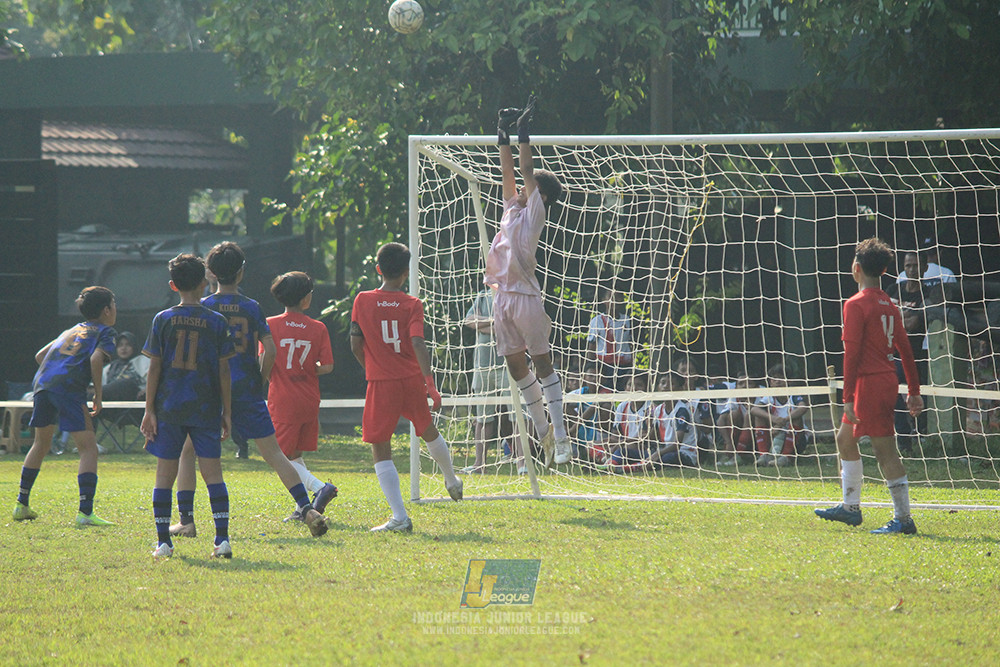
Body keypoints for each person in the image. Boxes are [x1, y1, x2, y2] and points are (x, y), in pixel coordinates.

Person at [168, 243, 331, 540]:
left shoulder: (204, 306)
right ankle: (307, 509)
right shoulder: (252, 307)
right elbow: (269, 350)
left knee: (187, 452)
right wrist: (261, 378)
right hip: (246, 389)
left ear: (210, 272)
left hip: (209, 391)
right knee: (275, 454)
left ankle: (186, 521)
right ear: (241, 272)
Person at [351, 242, 463, 533]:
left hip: (381, 382)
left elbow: (355, 342)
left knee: (380, 445)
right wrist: (430, 384)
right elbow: (416, 342)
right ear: (405, 273)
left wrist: (372, 366)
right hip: (411, 379)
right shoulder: (413, 304)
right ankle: (451, 479)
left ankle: (400, 516)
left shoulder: (362, 300)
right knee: (427, 429)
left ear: (379, 269)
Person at [815, 237, 923, 535]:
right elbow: (906, 350)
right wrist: (913, 391)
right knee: (844, 439)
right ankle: (850, 508)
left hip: (869, 385)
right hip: (884, 380)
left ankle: (903, 519)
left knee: (885, 450)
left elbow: (851, 355)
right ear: (886, 270)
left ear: (856, 268)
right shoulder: (889, 304)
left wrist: (847, 396)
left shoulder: (855, 304)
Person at [485, 95, 569, 466]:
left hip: (526, 298)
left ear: (540, 194)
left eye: (529, 184)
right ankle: (543, 433)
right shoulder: (511, 208)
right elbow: (508, 173)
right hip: (502, 297)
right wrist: (501, 135)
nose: (520, 185)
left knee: (542, 362)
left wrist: (523, 133)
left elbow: (525, 167)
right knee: (516, 367)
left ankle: (563, 437)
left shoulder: (534, 212)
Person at [141, 254, 236, 559]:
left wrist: (149, 409)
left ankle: (163, 543)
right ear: (204, 282)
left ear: (172, 285)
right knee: (214, 475)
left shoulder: (163, 319)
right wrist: (227, 411)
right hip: (205, 407)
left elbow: (154, 368)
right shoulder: (217, 321)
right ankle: (222, 540)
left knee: (164, 477)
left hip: (169, 407)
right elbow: (224, 371)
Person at [13, 286, 117, 525]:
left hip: (43, 384)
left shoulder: (71, 330)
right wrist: (98, 395)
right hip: (68, 389)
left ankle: (21, 503)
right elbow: (95, 359)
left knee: (41, 443)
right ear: (107, 310)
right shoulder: (105, 331)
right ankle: (85, 512)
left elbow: (40, 356)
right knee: (88, 448)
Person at [265, 270, 336, 524]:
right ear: (306, 300)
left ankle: (320, 487)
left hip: (283, 399)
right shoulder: (318, 327)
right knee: (294, 454)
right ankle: (303, 507)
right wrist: (307, 369)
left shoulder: (270, 324)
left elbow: (265, 359)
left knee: (278, 456)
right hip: (309, 398)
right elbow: (327, 366)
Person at [462, 288, 510, 474]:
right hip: (482, 365)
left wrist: (482, 325)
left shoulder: (512, 295)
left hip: (506, 364)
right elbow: (469, 320)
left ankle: (522, 463)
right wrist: (493, 322)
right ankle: (479, 464)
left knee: (517, 415)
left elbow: (509, 327)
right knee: (482, 417)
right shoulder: (482, 295)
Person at [750, 364, 810, 467]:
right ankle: (764, 455)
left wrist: (784, 421)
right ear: (770, 382)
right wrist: (774, 419)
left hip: (796, 440)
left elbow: (803, 408)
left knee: (796, 418)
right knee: (759, 416)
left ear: (789, 381)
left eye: (781, 378)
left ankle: (786, 457)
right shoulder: (770, 397)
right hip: (774, 435)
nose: (777, 381)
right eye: (774, 379)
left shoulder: (793, 395)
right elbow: (754, 409)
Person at [586, 286, 635, 392]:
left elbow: (631, 344)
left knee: (623, 390)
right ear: (604, 300)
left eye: (618, 297)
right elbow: (591, 346)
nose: (615, 300)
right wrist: (592, 366)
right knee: (607, 392)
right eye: (611, 297)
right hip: (605, 365)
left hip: (624, 364)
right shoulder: (597, 320)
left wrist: (632, 364)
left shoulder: (627, 320)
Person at [101, 331, 150, 401]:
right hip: (113, 402)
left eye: (128, 345)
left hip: (134, 398)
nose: (123, 348)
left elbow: (153, 380)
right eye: (120, 345)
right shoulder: (110, 367)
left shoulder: (143, 360)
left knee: (124, 383)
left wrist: (146, 391)